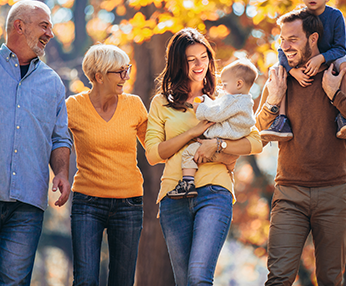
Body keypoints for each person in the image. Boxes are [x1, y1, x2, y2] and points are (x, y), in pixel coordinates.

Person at [145, 28, 262, 285]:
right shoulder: (161, 103)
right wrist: (194, 132)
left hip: (213, 192)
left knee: (198, 277)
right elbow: (153, 154)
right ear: (178, 63)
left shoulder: (225, 98)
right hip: (173, 197)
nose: (200, 65)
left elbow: (255, 141)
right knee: (184, 281)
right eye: (191, 60)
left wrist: (218, 145)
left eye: (204, 57)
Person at [256, 9, 346, 286]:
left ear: (313, 39)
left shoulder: (341, 73)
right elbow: (255, 135)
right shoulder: (279, 77)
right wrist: (274, 100)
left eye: (293, 39)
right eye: (283, 39)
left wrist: (335, 94)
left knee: (331, 279)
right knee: (278, 278)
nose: (285, 46)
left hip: (335, 191)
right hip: (289, 193)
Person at [0, 0, 72, 285]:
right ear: (20, 25)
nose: (50, 34)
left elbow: (59, 136)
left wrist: (63, 172)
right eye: (44, 26)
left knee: (14, 282)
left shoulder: (52, 83)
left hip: (27, 203)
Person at [66, 44, 148, 286]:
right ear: (99, 76)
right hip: (87, 203)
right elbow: (53, 139)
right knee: (85, 280)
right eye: (119, 72)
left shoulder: (134, 105)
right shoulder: (73, 106)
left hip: (129, 204)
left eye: (127, 70)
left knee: (122, 281)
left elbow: (156, 150)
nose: (126, 76)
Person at [261, 0, 346, 141]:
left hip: (330, 58)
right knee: (279, 71)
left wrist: (321, 58)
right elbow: (282, 48)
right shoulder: (300, 17)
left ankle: (344, 115)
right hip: (303, 61)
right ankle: (281, 120)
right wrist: (291, 70)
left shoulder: (335, 16)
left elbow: (341, 48)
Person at [167, 59, 258, 199]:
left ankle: (187, 184)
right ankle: (228, 166)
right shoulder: (245, 101)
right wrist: (207, 101)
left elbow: (216, 113)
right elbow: (219, 106)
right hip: (234, 137)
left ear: (239, 83)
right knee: (225, 159)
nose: (223, 88)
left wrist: (200, 109)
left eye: (225, 84)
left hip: (225, 135)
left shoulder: (231, 100)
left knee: (188, 153)